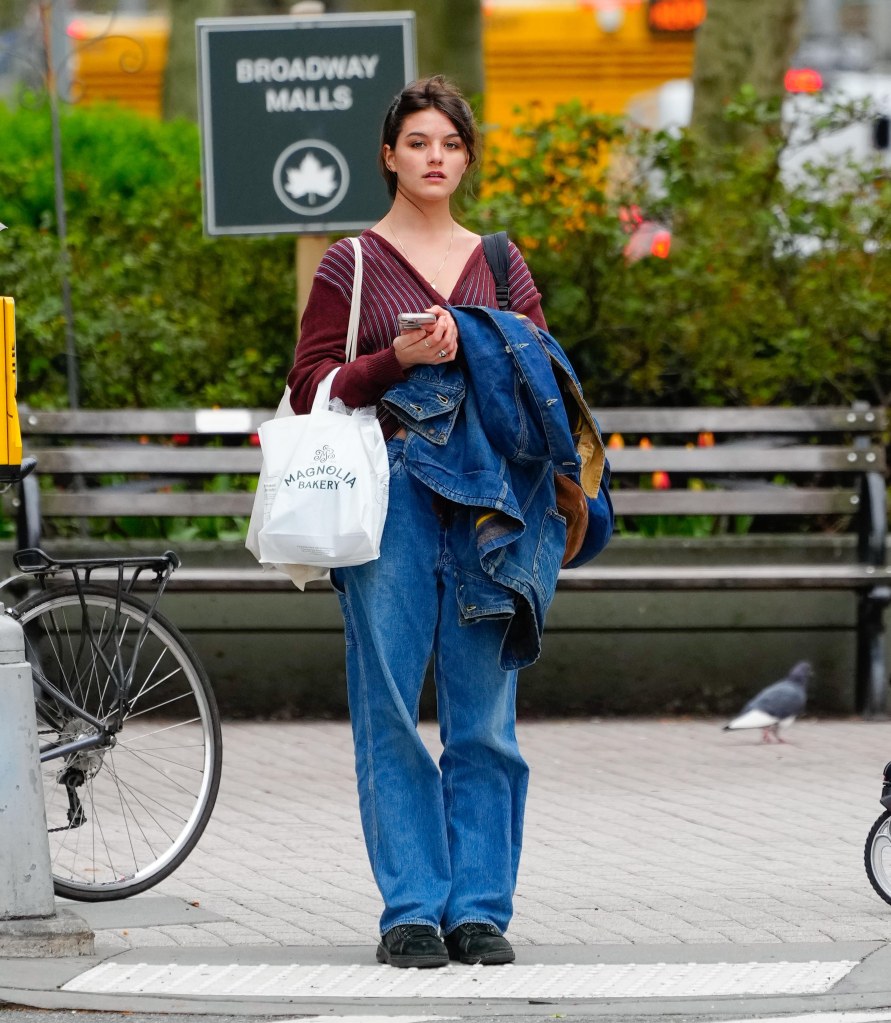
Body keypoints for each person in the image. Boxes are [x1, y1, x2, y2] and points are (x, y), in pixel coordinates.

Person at [287, 75, 550, 971]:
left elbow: (539, 383)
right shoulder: (349, 263)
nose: (434, 157)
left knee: (483, 720)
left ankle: (478, 907)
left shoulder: (503, 263)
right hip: (387, 500)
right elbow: (310, 388)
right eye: (417, 142)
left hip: (489, 511)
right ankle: (409, 907)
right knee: (390, 709)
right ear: (388, 155)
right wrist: (392, 361)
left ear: (466, 157)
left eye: (449, 143)